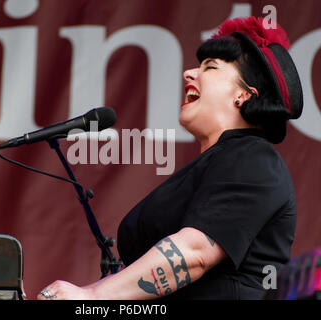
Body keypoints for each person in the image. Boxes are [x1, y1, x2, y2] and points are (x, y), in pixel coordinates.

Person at [37, 16, 303, 300]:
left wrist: (90, 297)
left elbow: (195, 253)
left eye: (209, 67)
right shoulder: (219, 163)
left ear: (243, 95)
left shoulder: (253, 157)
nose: (189, 73)